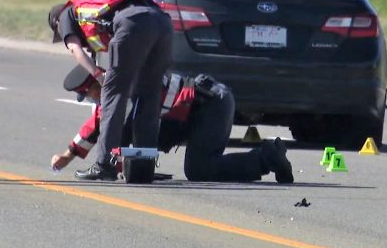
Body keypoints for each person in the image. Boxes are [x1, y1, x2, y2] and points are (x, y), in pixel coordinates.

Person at [50, 66, 294, 183]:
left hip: (210, 105)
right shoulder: (118, 84)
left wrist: (67, 155)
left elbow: (98, 123)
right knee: (121, 128)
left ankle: (269, 156)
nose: (92, 99)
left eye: (89, 93)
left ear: (95, 84)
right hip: (187, 114)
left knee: (201, 171)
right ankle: (120, 167)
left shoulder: (122, 86)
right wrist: (67, 155)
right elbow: (103, 124)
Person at [48, 0, 173, 181]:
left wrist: (98, 75)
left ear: (57, 23)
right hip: (162, 22)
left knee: (113, 95)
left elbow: (75, 48)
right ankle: (143, 167)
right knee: (148, 95)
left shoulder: (65, 15)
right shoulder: (97, 2)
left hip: (133, 23)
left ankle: (105, 166)